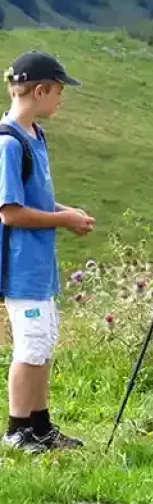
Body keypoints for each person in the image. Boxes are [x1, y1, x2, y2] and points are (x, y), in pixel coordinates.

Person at [0, 50, 96, 453]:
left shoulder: (36, 137)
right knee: (31, 345)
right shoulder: (9, 143)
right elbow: (10, 212)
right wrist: (63, 220)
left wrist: (67, 212)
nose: (61, 99)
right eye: (58, 91)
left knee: (43, 342)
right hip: (21, 265)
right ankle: (17, 429)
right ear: (39, 91)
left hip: (40, 265)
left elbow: (34, 198)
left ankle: (41, 425)